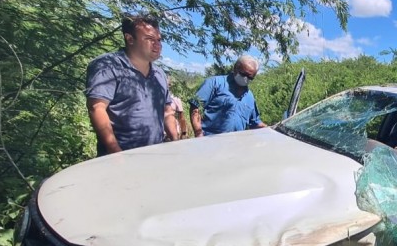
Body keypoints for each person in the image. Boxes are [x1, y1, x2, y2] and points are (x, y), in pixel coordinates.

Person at [85, 15, 178, 156]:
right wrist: (115, 153)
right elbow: (96, 108)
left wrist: (176, 142)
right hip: (120, 158)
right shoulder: (108, 66)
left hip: (156, 156)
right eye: (149, 39)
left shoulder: (159, 74)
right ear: (129, 39)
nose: (157, 44)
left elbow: (167, 112)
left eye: (158, 40)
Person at [190, 55, 267, 136]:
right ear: (236, 68)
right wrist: (198, 133)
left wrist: (273, 128)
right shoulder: (214, 83)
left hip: (236, 144)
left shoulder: (249, 97)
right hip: (209, 141)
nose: (246, 79)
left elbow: (255, 123)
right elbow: (195, 107)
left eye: (250, 77)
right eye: (244, 74)